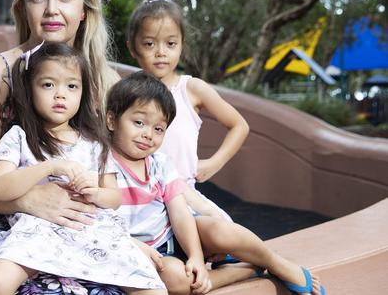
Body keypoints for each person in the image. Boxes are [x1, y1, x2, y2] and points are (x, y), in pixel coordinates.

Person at [0, 0, 122, 294]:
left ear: (84, 9)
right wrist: (28, 199)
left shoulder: (109, 83)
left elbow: (125, 174)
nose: (52, 10)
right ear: (23, 8)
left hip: (89, 229)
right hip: (12, 233)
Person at [107, 72, 326, 295]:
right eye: (139, 122)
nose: (148, 135)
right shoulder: (102, 164)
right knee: (176, 281)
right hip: (146, 252)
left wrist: (196, 257)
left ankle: (277, 263)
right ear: (111, 120)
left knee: (220, 229)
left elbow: (180, 213)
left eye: (158, 129)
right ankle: (243, 272)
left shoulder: (160, 164)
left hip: (175, 235)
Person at [0, 42, 166, 295]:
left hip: (91, 230)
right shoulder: (19, 137)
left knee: (153, 288)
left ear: (82, 92)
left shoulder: (94, 143)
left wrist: (95, 192)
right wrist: (49, 167)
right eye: (48, 85)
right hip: (39, 231)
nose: (60, 94)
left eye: (71, 86)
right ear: (29, 90)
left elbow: (114, 198)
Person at [126, 0, 249, 222]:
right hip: (142, 201)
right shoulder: (127, 93)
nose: (161, 52)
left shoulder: (190, 89)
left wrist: (214, 162)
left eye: (170, 43)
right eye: (149, 44)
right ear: (132, 48)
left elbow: (239, 125)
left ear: (181, 44)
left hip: (186, 196)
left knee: (224, 230)